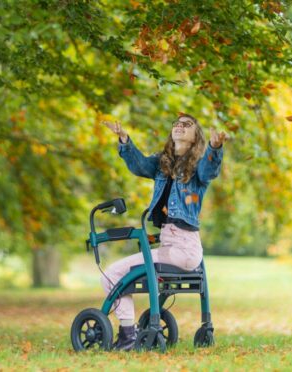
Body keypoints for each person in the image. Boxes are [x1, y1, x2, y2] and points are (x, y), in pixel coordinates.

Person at [101, 114, 227, 351]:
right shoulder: (163, 164)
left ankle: (127, 335)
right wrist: (124, 139)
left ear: (195, 137)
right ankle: (131, 333)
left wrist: (215, 147)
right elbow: (139, 165)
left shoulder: (198, 165)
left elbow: (209, 170)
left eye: (187, 124)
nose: (179, 126)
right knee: (121, 272)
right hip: (176, 247)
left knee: (111, 274)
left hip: (182, 247)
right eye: (176, 123)